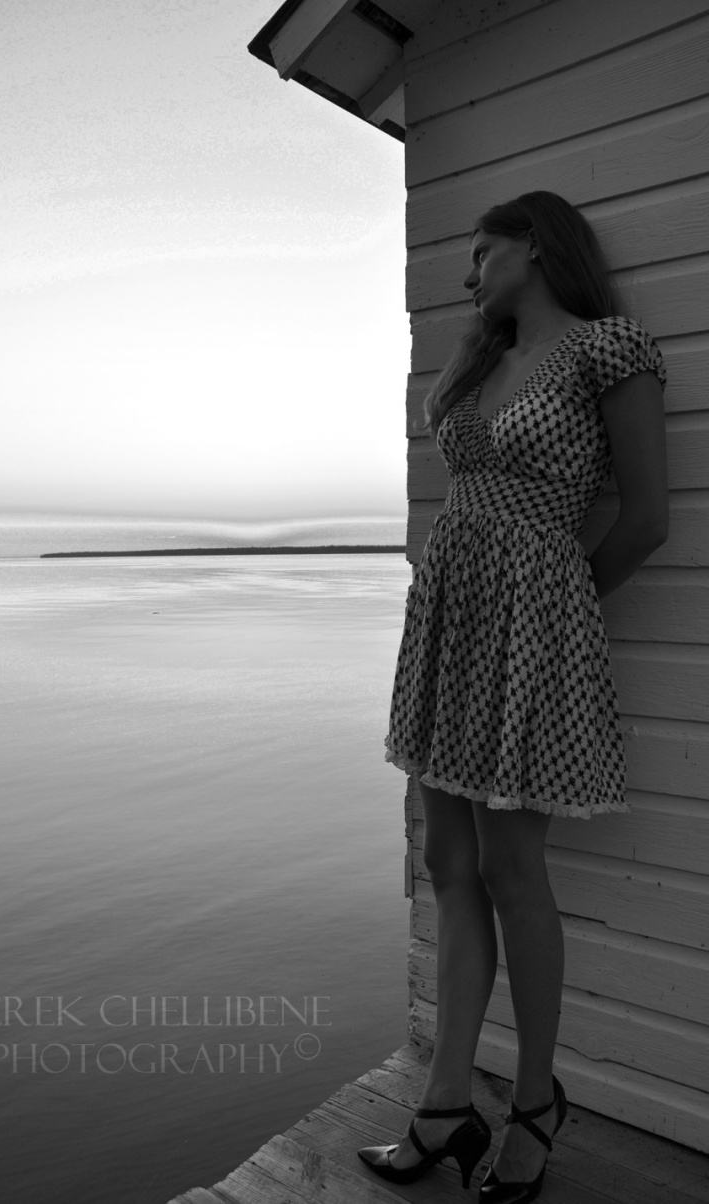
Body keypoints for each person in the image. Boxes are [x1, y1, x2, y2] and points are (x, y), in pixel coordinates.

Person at [357, 191, 669, 1203]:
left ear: (535, 246)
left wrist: (557, 604)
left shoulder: (605, 347)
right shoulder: (480, 362)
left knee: (509, 864)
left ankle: (533, 1099)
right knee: (446, 860)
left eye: (481, 252)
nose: (468, 272)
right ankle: (447, 1100)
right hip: (449, 624)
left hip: (531, 631)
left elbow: (644, 519)